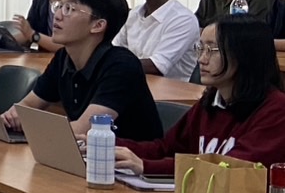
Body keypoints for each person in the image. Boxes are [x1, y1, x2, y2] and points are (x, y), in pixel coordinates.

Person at [117, 16, 285, 176]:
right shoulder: (211, 102)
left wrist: (146, 166)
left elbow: (232, 168)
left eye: (212, 50)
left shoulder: (276, 110)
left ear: (244, 55)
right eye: (200, 49)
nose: (202, 59)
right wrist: (110, 145)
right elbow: (165, 149)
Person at [1, 0, 163, 143]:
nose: (57, 16)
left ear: (98, 25)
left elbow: (83, 130)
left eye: (69, 9)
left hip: (127, 157)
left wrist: (30, 126)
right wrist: (9, 117)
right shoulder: (63, 57)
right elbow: (28, 106)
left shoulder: (121, 66)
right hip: (83, 152)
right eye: (58, 6)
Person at [112, 0, 200, 80]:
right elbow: (116, 50)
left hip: (172, 91)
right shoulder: (132, 15)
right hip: (132, 83)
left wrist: (111, 64)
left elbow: (156, 66)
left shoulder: (183, 19)